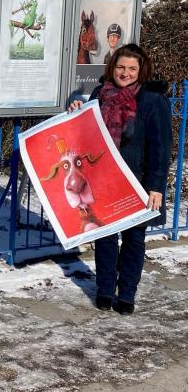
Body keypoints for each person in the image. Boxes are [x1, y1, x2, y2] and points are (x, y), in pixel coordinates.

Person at [69, 43, 171, 315]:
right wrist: (78, 108)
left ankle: (126, 294)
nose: (125, 73)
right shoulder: (100, 94)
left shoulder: (152, 100)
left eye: (131, 68)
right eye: (121, 67)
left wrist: (155, 186)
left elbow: (160, 148)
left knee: (134, 240)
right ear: (112, 67)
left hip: (137, 183)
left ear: (141, 70)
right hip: (104, 180)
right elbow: (85, 132)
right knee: (104, 237)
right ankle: (104, 291)